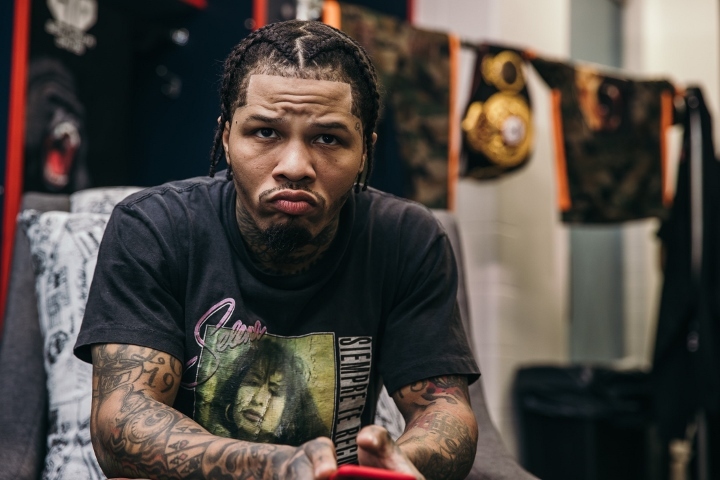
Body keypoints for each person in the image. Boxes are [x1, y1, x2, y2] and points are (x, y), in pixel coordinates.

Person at [74, 19, 479, 480]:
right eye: (265, 132)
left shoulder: (406, 239)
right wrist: (274, 466)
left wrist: (400, 462)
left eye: (328, 138)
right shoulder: (153, 228)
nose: (295, 166)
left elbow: (445, 411)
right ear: (226, 138)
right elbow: (121, 424)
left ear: (365, 152)